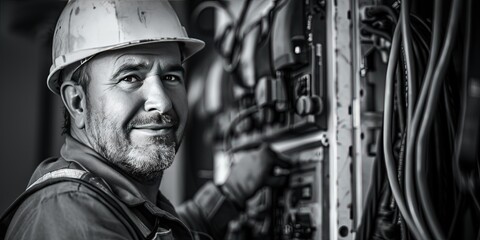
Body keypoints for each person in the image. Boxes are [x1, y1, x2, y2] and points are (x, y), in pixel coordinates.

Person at [0, 1, 286, 239]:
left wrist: (232, 191)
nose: (161, 101)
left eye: (171, 77)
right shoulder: (70, 216)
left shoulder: (118, 202)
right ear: (78, 102)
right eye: (130, 78)